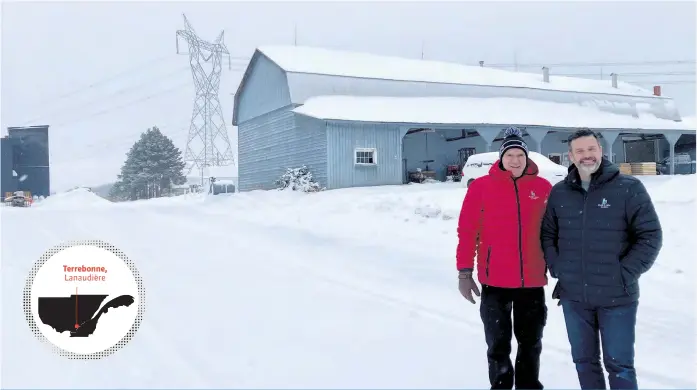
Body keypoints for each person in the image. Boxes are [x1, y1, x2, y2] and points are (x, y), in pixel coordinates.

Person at [540, 128, 663, 390]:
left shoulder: (629, 188)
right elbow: (548, 235)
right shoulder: (560, 192)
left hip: (617, 296)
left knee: (620, 366)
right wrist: (558, 268)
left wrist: (624, 273)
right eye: (580, 151)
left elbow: (650, 235)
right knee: (584, 362)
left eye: (591, 149)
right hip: (574, 296)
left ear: (601, 151)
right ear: (570, 156)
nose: (587, 155)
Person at [456, 126, 553, 390]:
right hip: (495, 282)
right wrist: (465, 272)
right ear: (501, 158)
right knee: (498, 345)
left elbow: (554, 234)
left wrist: (562, 272)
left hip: (531, 282)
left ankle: (528, 386)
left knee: (531, 343)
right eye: (509, 155)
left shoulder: (543, 188)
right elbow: (467, 231)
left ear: (527, 158)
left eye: (519, 155)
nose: (515, 160)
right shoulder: (481, 188)